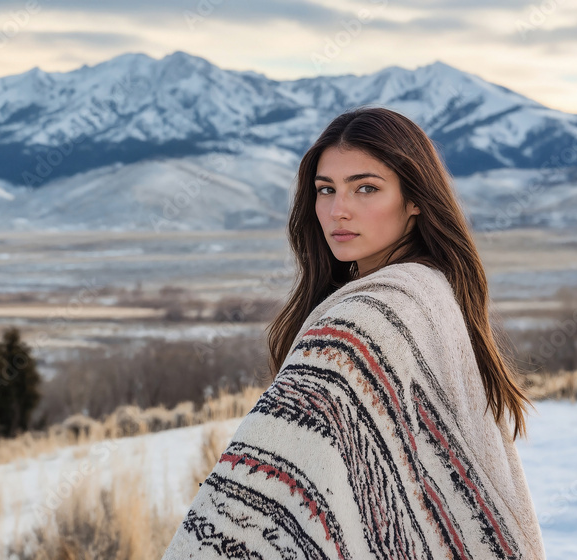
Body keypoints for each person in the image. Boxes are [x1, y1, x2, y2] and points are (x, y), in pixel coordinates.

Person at [162, 106, 546, 559]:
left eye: (366, 188)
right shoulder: (431, 289)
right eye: (326, 190)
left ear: (416, 198)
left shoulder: (369, 318)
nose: (338, 210)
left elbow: (261, 504)